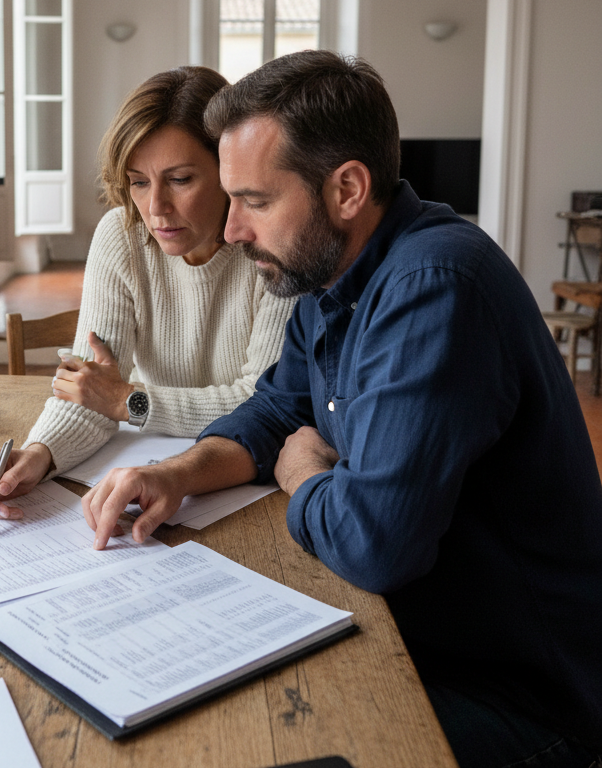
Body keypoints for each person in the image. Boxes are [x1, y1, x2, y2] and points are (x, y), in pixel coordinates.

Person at [82, 51, 602, 768]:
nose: (232, 231)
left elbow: (374, 543)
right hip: (417, 641)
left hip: (520, 703)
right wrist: (178, 474)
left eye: (255, 201)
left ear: (347, 189)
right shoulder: (330, 276)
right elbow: (273, 413)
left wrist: (305, 477)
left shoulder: (435, 287)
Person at [0, 66, 295, 519]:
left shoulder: (274, 246)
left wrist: (129, 401)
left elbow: (267, 404)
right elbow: (93, 392)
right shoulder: (120, 235)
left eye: (181, 179)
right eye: (139, 182)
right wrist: (38, 454)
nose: (155, 208)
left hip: (243, 479)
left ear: (228, 172)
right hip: (146, 472)